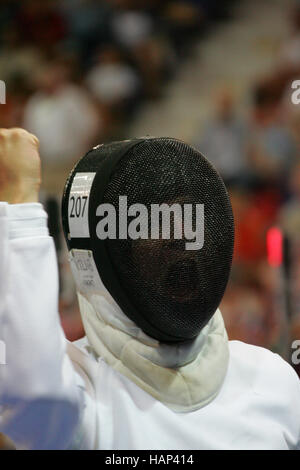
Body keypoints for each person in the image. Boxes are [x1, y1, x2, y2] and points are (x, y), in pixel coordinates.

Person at [0, 128, 299, 450]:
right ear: (108, 255)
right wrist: (20, 202)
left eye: (190, 220)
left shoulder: (271, 380)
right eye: (153, 225)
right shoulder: (82, 392)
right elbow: (36, 398)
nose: (182, 239)